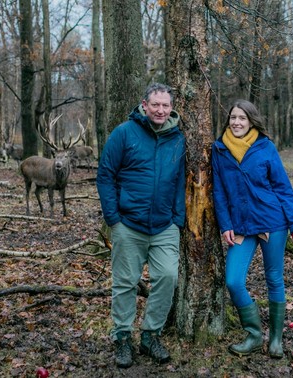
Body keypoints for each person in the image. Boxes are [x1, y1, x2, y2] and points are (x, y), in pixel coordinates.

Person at [96, 83, 186, 368]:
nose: (160, 110)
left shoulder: (178, 138)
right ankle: (122, 337)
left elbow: (180, 182)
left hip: (164, 226)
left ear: (171, 108)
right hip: (128, 225)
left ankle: (150, 336)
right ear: (144, 105)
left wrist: (177, 219)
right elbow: (105, 176)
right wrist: (114, 220)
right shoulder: (124, 133)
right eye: (155, 104)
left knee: (168, 277)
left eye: (165, 105)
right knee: (124, 283)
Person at [212, 99, 293, 359]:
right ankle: (253, 335)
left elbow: (282, 187)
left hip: (272, 221)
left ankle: (275, 339)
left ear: (251, 121)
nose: (237, 122)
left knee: (274, 278)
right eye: (233, 118)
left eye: (242, 118)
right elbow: (218, 191)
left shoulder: (265, 147)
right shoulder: (219, 150)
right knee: (233, 280)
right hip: (240, 225)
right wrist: (225, 224)